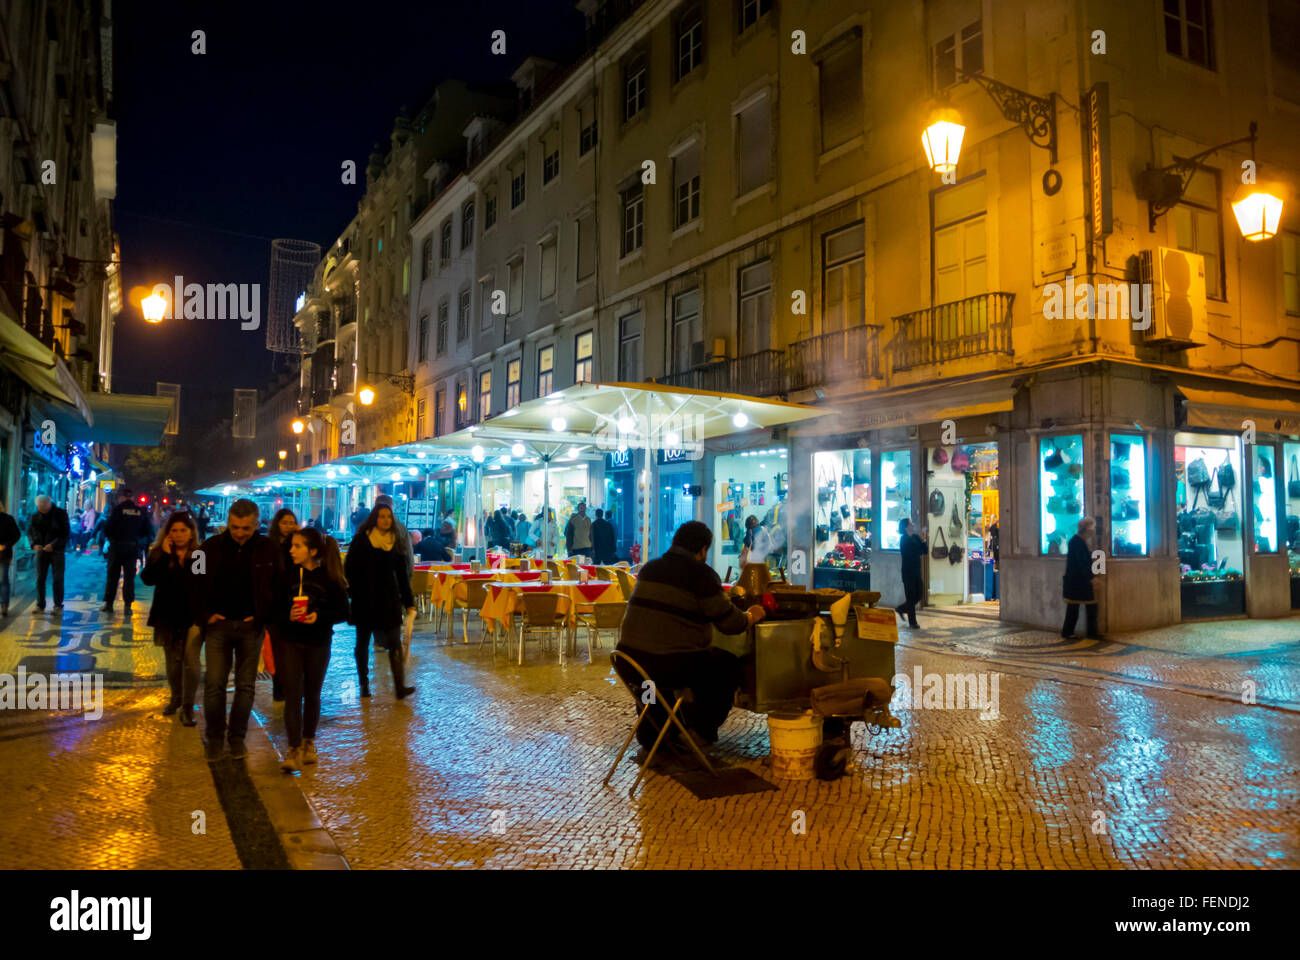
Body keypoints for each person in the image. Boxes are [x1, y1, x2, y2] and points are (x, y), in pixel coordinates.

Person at [615, 521, 764, 751]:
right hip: (664, 666)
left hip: (628, 663)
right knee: (727, 666)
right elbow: (730, 623)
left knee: (653, 681)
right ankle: (700, 731)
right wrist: (751, 616)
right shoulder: (701, 575)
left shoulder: (649, 569)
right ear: (703, 549)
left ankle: (652, 730)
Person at [194, 499, 284, 763]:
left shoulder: (270, 549)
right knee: (214, 684)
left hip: (251, 627)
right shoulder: (208, 547)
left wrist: (263, 616)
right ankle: (214, 738)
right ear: (228, 522)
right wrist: (205, 615)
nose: (239, 533)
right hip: (218, 627)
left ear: (256, 524)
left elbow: (280, 585)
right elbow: (194, 582)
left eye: (246, 528)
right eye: (235, 527)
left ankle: (236, 738)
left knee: (246, 686)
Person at [278, 527, 350, 773]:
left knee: (312, 693)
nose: (291, 550)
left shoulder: (328, 578)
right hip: (290, 640)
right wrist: (287, 614)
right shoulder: (287, 576)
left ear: (313, 550)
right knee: (292, 695)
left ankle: (309, 743)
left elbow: (343, 612)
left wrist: (318, 615)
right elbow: (273, 607)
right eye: (292, 545)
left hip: (318, 642)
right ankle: (293, 749)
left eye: (297, 546)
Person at [345, 503, 417, 700]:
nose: (386, 520)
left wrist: (409, 602)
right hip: (365, 600)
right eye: (382, 516)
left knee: (394, 643)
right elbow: (349, 568)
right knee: (362, 644)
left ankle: (399, 686)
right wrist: (355, 592)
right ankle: (364, 684)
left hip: (388, 600)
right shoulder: (362, 540)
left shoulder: (396, 541)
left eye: (388, 516)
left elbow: (402, 575)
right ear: (375, 518)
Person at [140, 511, 202, 724]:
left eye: (183, 530)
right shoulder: (158, 553)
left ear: (191, 532)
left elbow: (196, 584)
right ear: (167, 533)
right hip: (166, 615)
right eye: (173, 530)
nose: (178, 535)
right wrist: (166, 555)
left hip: (192, 616)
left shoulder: (198, 555)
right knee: (173, 663)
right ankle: (175, 698)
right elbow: (148, 579)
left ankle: (188, 706)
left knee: (191, 662)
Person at [100, 488, 154, 615]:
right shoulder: (139, 511)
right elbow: (147, 530)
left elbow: (107, 528)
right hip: (132, 547)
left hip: (117, 547)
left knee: (113, 577)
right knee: (129, 578)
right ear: (132, 497)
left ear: (122, 497)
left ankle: (109, 604)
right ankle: (127, 606)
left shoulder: (117, 510)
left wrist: (112, 539)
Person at [267, 508, 300, 707]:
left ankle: (291, 686)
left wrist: (298, 534)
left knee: (292, 646)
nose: (288, 526)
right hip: (274, 602)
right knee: (277, 647)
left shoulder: (296, 543)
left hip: (293, 598)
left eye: (291, 522)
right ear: (277, 523)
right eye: (284, 522)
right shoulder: (269, 544)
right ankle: (278, 688)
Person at [1062, 517, 1103, 640]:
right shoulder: (1078, 542)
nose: (1094, 531)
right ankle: (1089, 633)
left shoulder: (1077, 541)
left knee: (1075, 608)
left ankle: (1070, 632)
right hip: (1079, 582)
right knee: (1087, 607)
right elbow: (1082, 563)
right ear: (1087, 529)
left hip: (1077, 581)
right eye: (1093, 528)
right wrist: (1092, 578)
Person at [29, 495, 70, 613]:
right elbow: (31, 532)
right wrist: (34, 544)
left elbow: (65, 533)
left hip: (57, 551)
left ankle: (58, 605)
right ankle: (40, 604)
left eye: (43, 508)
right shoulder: (35, 515)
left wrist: (53, 545)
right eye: (39, 508)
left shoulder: (60, 514)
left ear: (49, 504)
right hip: (42, 551)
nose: (41, 510)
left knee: (58, 578)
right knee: (40, 578)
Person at [896, 518, 927, 629]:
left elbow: (925, 551)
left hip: (916, 571)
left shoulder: (915, 537)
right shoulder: (904, 539)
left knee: (919, 595)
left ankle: (901, 608)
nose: (913, 525)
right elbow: (911, 553)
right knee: (910, 596)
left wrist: (923, 540)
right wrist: (919, 545)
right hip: (908, 572)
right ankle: (912, 622)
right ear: (906, 527)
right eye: (911, 523)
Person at [0, 501, 21, 617]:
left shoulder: (8, 519)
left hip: (4, 554)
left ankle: (4, 605)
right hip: (4, 554)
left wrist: (6, 545)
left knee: (3, 580)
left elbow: (16, 535)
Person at [986, 519, 1000, 601]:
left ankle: (996, 595)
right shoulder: (996, 538)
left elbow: (991, 528)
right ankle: (997, 595)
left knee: (997, 572)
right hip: (998, 557)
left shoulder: (994, 539)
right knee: (997, 572)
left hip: (997, 557)